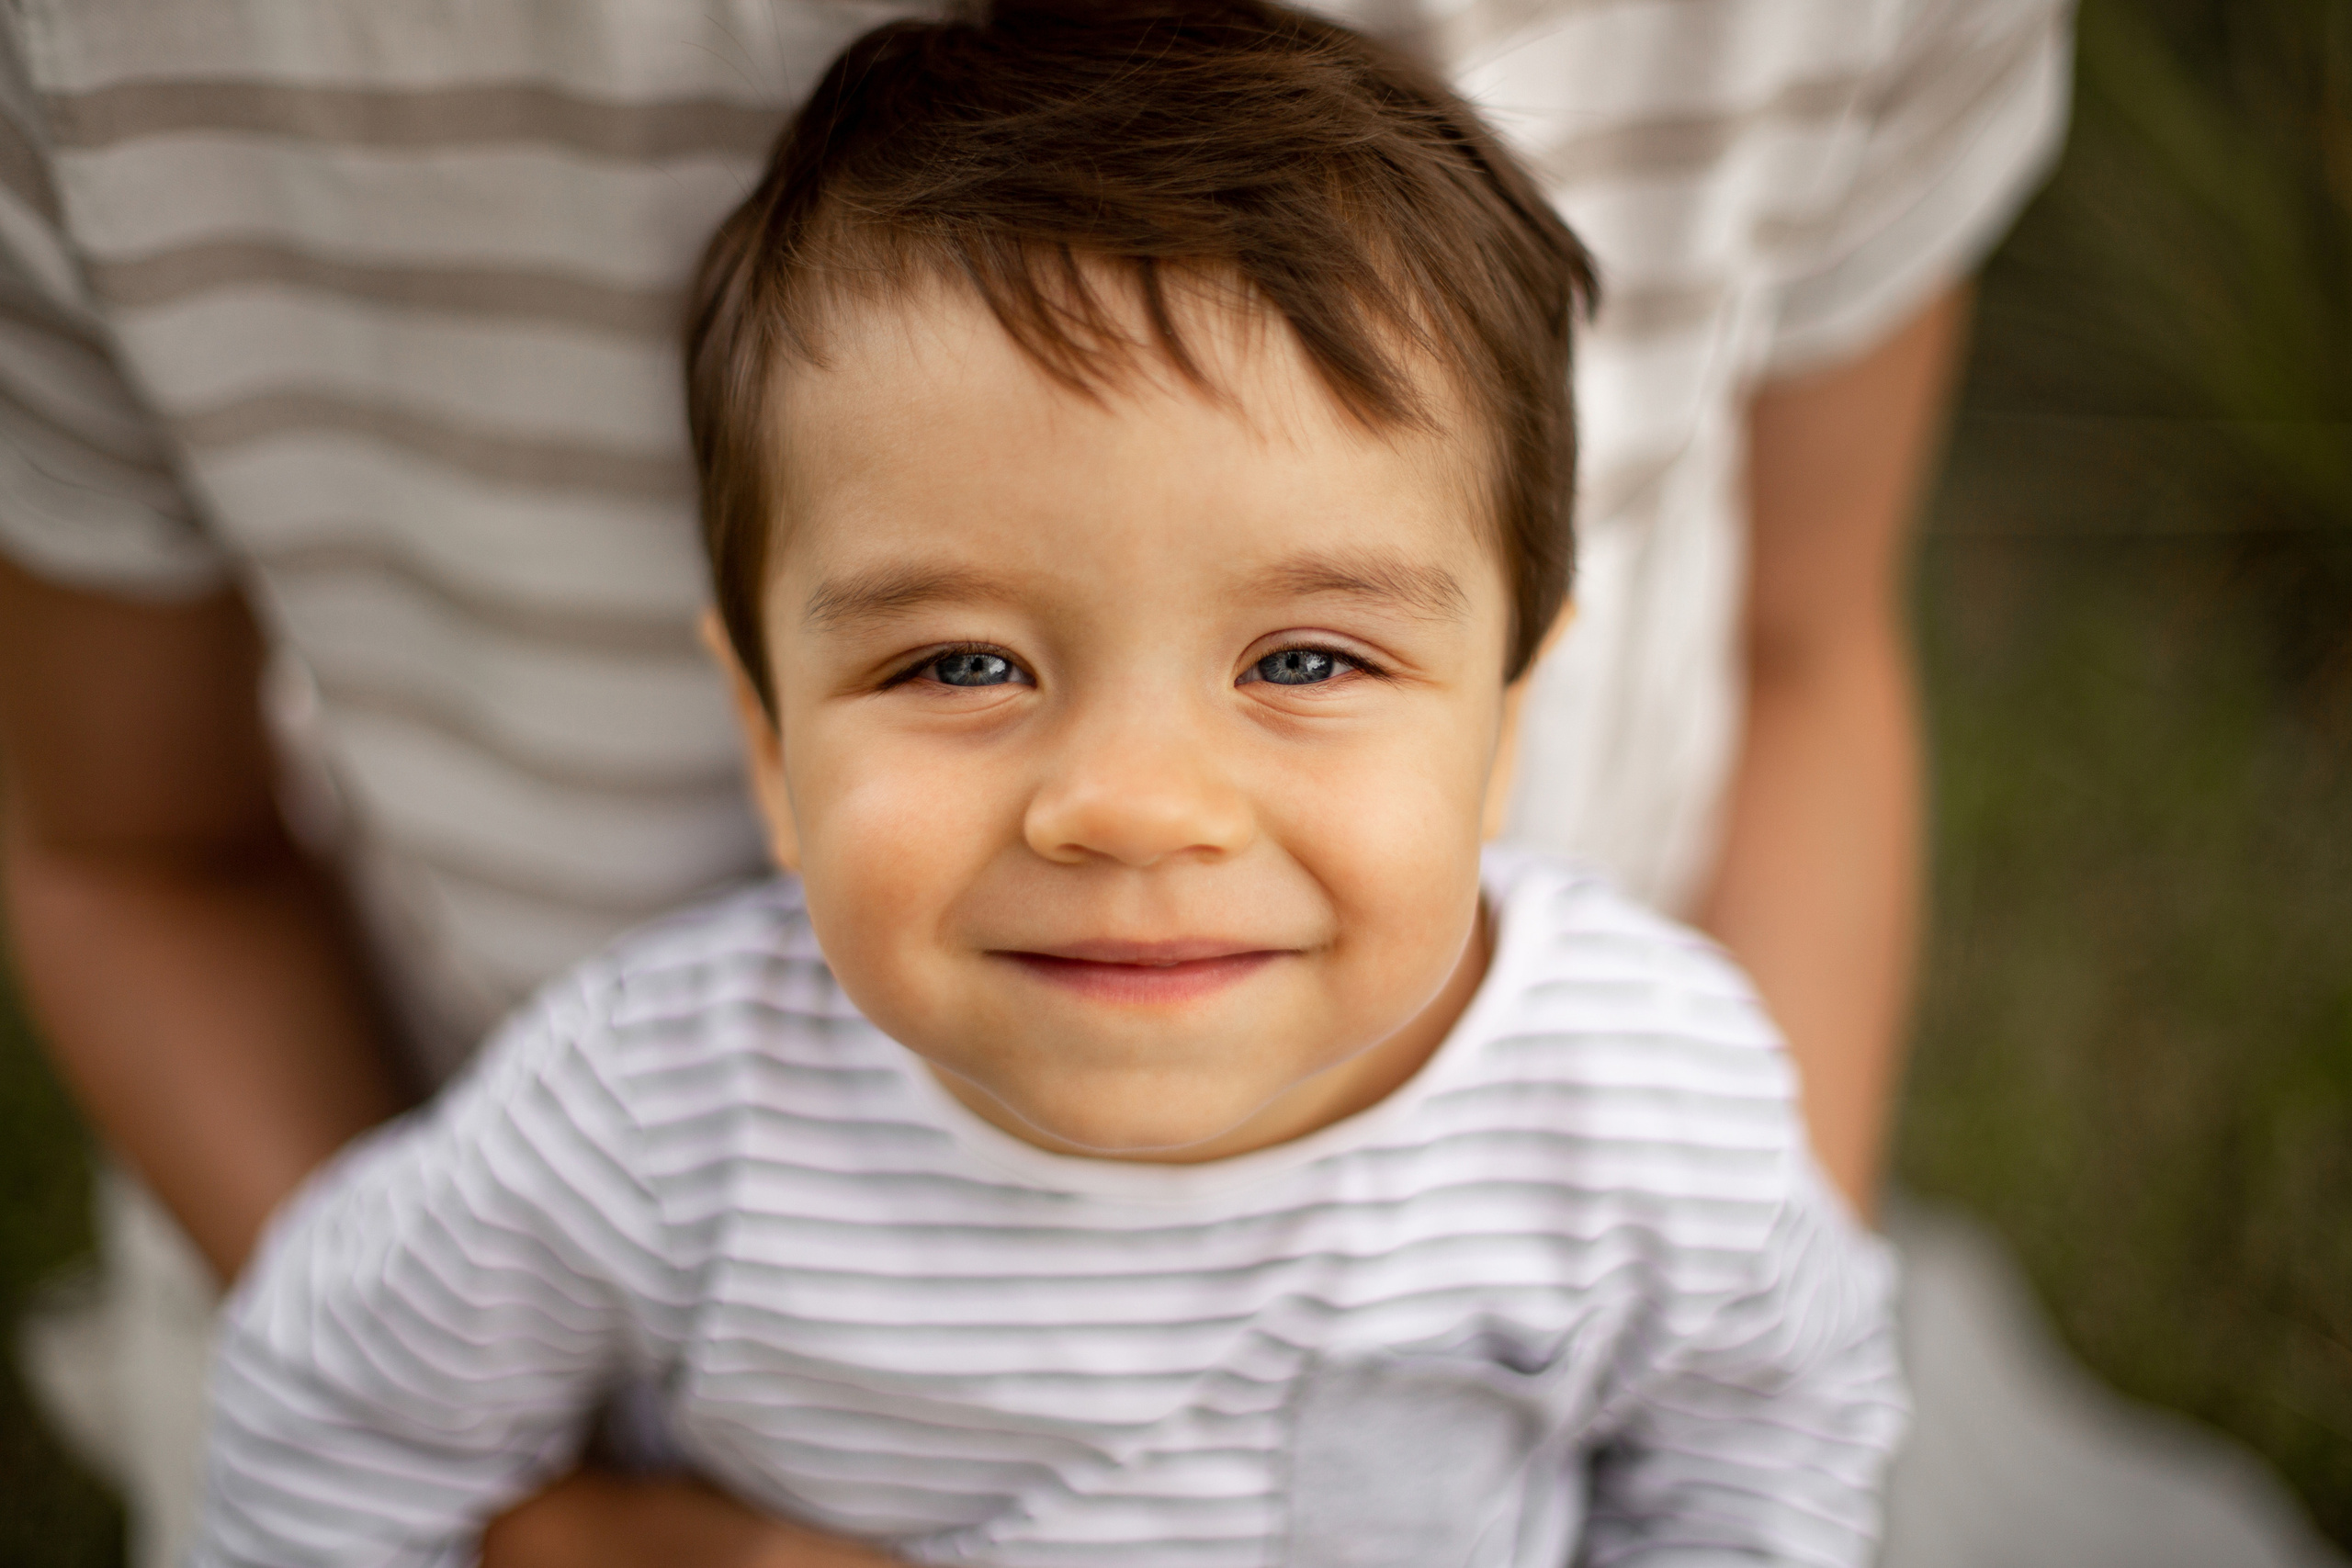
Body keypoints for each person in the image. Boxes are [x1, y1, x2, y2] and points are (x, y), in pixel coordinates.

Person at [0, 0, 2069, 1562]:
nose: (1135, 806)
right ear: (768, 739)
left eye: (1307, 659)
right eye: (960, 663)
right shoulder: (652, 1116)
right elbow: (333, 1412)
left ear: (1509, 715)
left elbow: (1768, 1431)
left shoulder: (1651, 1097)